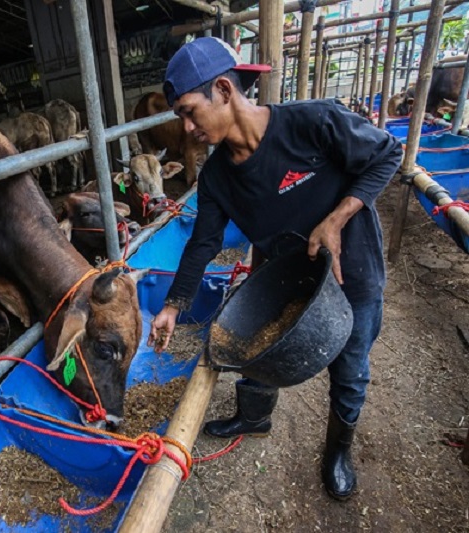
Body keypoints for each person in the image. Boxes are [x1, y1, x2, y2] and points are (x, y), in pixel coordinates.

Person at [147, 37, 402, 501]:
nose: (185, 129)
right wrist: (172, 305)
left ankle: (337, 450)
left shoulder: (311, 122)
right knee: (256, 344)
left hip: (352, 269)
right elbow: (202, 242)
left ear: (223, 90)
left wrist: (336, 218)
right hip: (286, 276)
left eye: (189, 111)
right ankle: (255, 415)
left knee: (351, 366)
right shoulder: (218, 176)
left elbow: (387, 153)